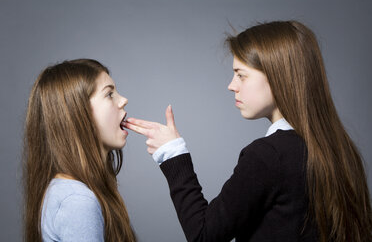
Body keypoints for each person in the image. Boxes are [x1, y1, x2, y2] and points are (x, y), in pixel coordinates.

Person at [124, 21, 372, 241]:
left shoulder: (268, 155)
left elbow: (203, 234)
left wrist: (172, 153)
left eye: (241, 75)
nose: (232, 86)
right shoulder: (343, 150)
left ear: (278, 77)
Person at [23, 59, 136, 242]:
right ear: (77, 112)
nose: (123, 100)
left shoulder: (64, 190)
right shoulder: (77, 201)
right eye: (109, 94)